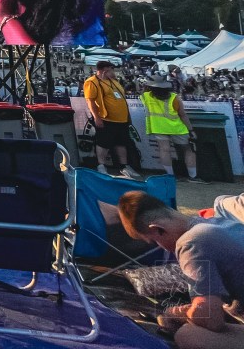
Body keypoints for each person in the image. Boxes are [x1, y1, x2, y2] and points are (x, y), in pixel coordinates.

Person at [119, 191, 244, 349]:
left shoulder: (191, 243)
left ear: (159, 229)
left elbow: (212, 321)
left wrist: (176, 313)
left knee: (188, 335)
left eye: (154, 241)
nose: (160, 247)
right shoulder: (221, 222)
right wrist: (198, 309)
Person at [84, 61, 140, 178]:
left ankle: (124, 166)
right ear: (105, 70)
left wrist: (127, 116)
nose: (114, 72)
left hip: (121, 119)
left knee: (121, 143)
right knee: (103, 143)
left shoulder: (114, 81)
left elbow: (122, 100)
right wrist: (97, 117)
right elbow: (91, 101)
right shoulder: (92, 82)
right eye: (111, 69)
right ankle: (101, 165)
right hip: (106, 119)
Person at [142, 76, 203, 182]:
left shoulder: (146, 96)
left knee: (164, 150)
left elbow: (143, 90)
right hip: (177, 128)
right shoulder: (174, 98)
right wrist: (191, 130)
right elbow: (183, 115)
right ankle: (193, 176)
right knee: (188, 150)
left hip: (158, 127)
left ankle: (170, 176)